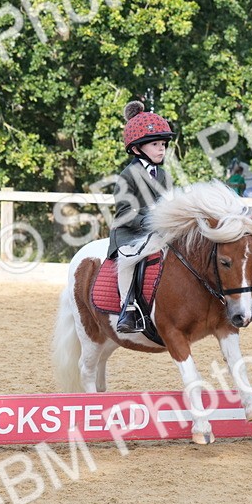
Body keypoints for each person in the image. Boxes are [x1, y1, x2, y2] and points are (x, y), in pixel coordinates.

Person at [109, 100, 175, 334]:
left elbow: (168, 205)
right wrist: (152, 223)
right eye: (155, 144)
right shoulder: (128, 175)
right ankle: (127, 308)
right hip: (129, 232)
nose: (161, 149)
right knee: (128, 259)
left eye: (163, 144)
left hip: (158, 232)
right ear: (137, 149)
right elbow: (124, 213)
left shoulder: (165, 175)